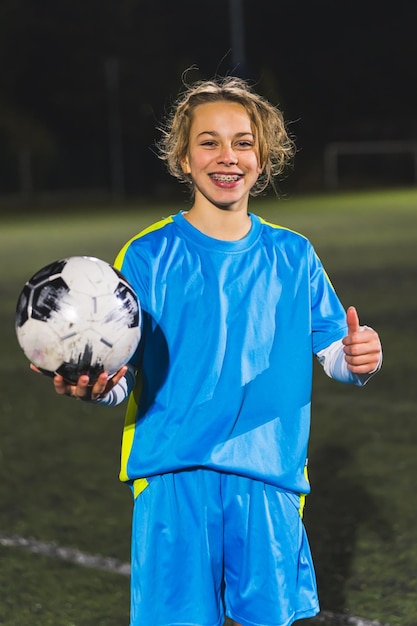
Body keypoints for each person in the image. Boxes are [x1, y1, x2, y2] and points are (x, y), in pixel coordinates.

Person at [38, 76, 382, 626]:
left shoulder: (293, 255)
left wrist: (361, 357)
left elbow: (337, 353)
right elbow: (124, 375)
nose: (228, 157)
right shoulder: (148, 256)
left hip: (268, 477)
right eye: (209, 141)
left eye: (243, 142)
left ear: (263, 157)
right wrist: (96, 387)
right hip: (174, 476)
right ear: (182, 155)